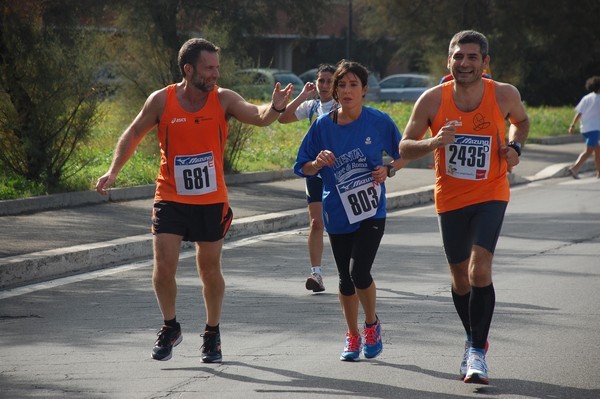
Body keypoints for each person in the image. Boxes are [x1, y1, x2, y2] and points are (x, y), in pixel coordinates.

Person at [95, 38, 293, 364]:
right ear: (189, 69)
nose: (215, 74)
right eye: (209, 68)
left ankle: (212, 333)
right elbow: (132, 134)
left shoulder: (224, 99)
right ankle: (170, 326)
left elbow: (258, 116)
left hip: (211, 199)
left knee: (209, 271)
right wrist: (113, 171)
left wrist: (275, 107)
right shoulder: (161, 100)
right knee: (162, 270)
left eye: (217, 67)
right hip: (170, 195)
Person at [399, 30, 529, 384]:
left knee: (479, 269)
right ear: (448, 60)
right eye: (458, 57)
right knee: (459, 278)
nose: (465, 63)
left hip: (491, 192)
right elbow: (404, 147)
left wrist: (515, 148)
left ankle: (474, 350)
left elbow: (521, 121)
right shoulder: (431, 100)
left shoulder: (503, 94)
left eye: (472, 57)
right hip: (450, 196)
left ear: (485, 63)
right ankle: (476, 338)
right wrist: (435, 142)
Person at [294, 60, 408, 361]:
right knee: (345, 278)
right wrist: (317, 163)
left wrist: (388, 169)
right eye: (341, 85)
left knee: (360, 271)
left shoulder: (378, 121)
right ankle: (353, 336)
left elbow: (403, 153)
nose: (346, 91)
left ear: (365, 89)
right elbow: (301, 165)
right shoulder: (322, 126)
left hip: (371, 210)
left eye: (353, 85)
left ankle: (372, 324)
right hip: (337, 211)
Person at [278, 63, 337, 293]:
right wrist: (303, 94)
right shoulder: (311, 107)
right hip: (314, 169)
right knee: (316, 222)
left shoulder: (343, 107)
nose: (324, 85)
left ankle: (354, 268)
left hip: (338, 170)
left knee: (343, 222)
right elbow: (283, 118)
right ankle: (317, 273)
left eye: (329, 81)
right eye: (321, 81)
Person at [567, 76, 600, 179]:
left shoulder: (586, 98)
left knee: (597, 150)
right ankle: (575, 168)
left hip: (585, 128)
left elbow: (579, 113)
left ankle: (599, 172)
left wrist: (572, 125)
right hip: (594, 128)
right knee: (589, 151)